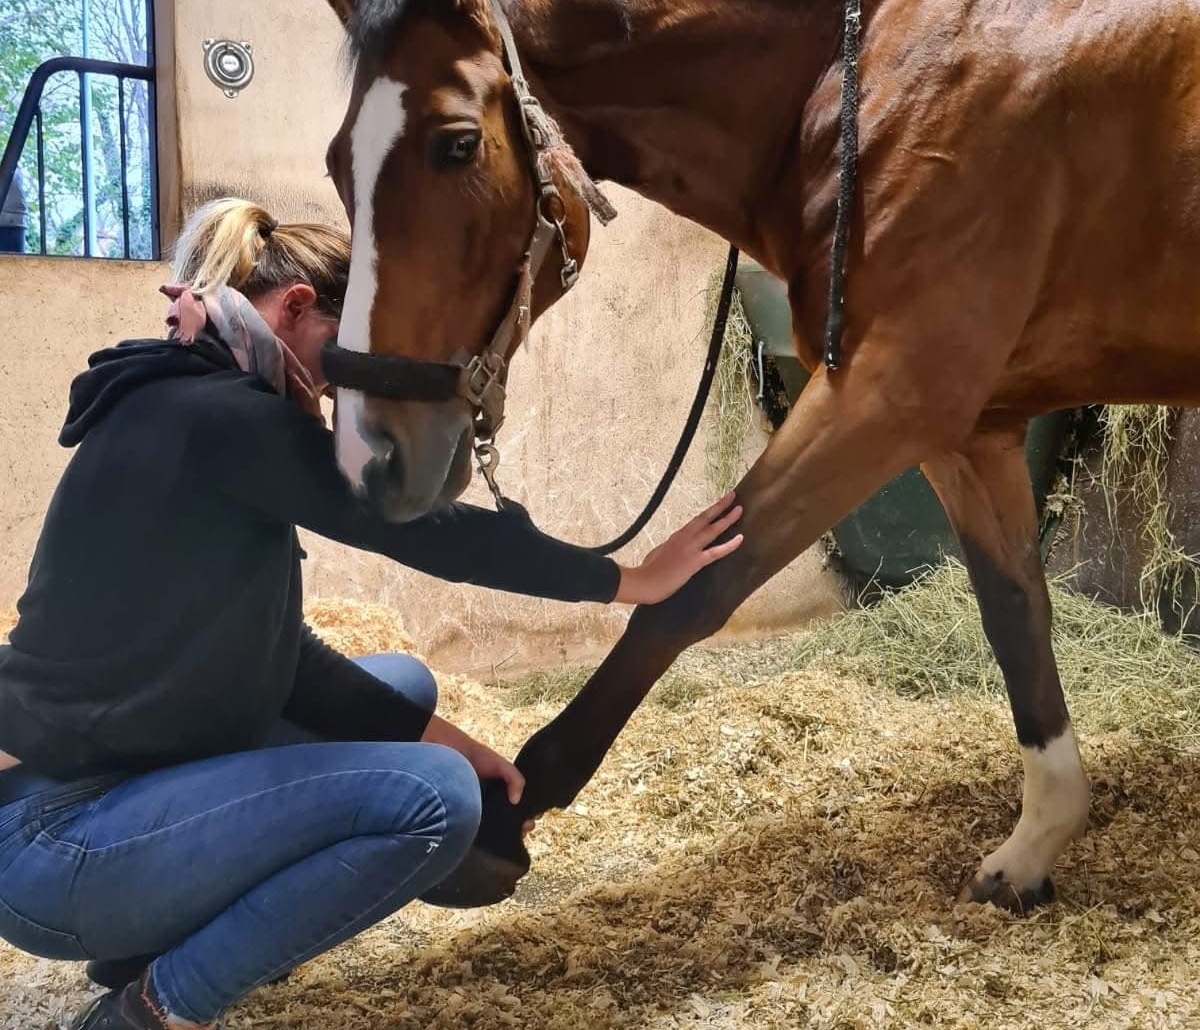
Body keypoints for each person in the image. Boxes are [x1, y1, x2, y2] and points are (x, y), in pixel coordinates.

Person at [0, 198, 743, 1030]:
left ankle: (146, 938)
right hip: (59, 844)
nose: (350, 383)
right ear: (294, 309)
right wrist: (629, 579)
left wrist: (471, 746)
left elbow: (289, 666)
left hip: (113, 805)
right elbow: (419, 529)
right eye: (346, 354)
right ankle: (152, 1008)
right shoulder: (216, 415)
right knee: (433, 801)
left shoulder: (196, 402)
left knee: (404, 687)